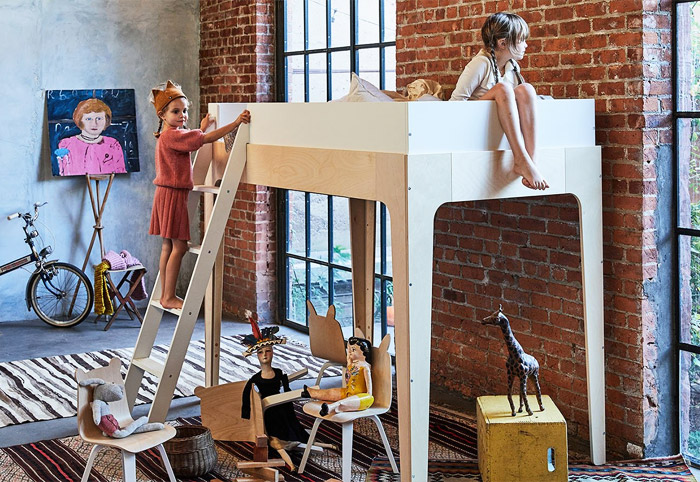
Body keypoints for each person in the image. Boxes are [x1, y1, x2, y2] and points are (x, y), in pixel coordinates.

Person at [148, 80, 251, 309]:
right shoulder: (173, 135)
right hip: (173, 195)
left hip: (165, 194)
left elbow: (192, 140)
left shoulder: (168, 135)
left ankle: (166, 294)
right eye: (176, 111)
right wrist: (235, 123)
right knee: (181, 247)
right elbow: (204, 140)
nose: (182, 115)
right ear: (162, 114)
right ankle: (168, 296)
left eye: (185, 110)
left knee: (168, 246)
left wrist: (202, 127)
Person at [450, 12, 549, 191]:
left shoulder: (512, 67)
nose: (526, 45)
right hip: (475, 125)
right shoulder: (481, 63)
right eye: (521, 40)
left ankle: (530, 162)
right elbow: (455, 104)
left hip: (498, 124)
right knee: (503, 89)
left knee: (526, 89)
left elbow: (521, 100)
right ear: (503, 43)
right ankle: (520, 158)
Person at [302, 336, 374, 417]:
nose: (349, 352)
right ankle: (311, 393)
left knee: (345, 402)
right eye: (348, 350)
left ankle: (330, 408)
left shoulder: (365, 368)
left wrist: (367, 397)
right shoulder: (352, 364)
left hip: (360, 397)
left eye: (353, 350)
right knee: (330, 392)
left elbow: (369, 391)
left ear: (364, 352)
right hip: (348, 392)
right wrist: (349, 358)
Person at [55, 98, 127, 176]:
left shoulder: (112, 144)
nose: (94, 123)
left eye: (99, 118)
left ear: (106, 120)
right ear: (80, 120)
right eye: (89, 119)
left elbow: (120, 171)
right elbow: (63, 172)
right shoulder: (66, 144)